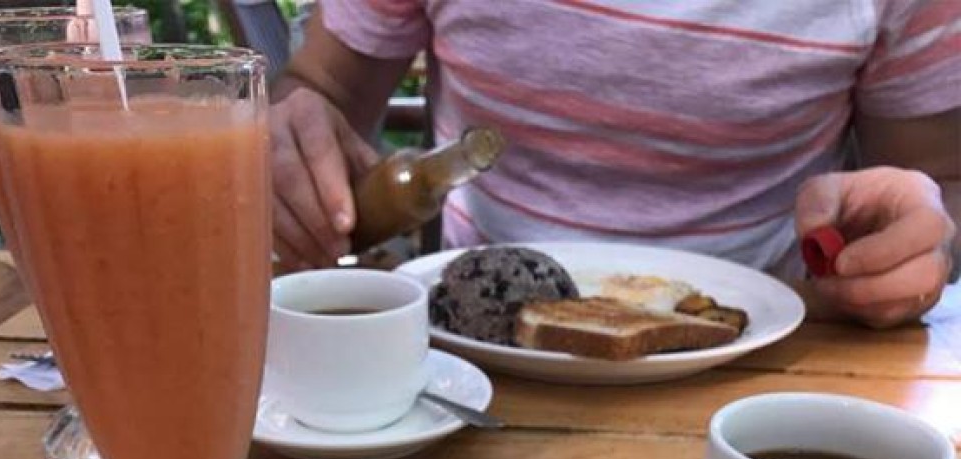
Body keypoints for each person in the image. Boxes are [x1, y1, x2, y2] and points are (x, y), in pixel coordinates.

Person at [270, 2, 959, 330]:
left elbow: (937, 183)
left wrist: (911, 244)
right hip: (468, 357)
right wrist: (282, 135)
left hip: (765, 364)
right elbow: (322, 90)